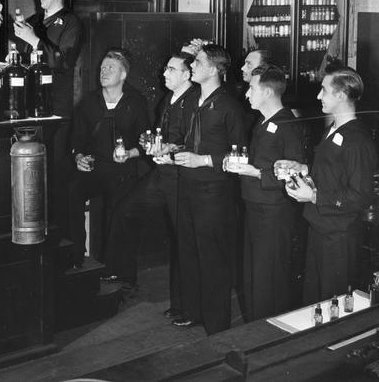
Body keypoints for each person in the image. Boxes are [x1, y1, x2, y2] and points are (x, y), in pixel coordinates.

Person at [104, 51, 197, 306]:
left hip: (180, 177)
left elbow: (193, 144)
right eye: (165, 68)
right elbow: (161, 134)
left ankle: (185, 305)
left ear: (187, 73)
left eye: (171, 70)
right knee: (126, 211)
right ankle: (123, 276)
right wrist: (149, 142)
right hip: (161, 174)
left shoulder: (194, 100)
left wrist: (169, 148)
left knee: (184, 239)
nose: (163, 73)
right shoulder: (169, 98)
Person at [277, 67, 377, 304]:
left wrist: (313, 196)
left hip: (339, 235)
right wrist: (302, 169)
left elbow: (360, 197)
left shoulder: (357, 140)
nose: (319, 96)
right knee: (315, 299)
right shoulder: (333, 131)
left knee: (333, 301)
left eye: (324, 90)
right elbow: (331, 174)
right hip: (321, 227)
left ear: (342, 95)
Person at [173, 43, 246, 334]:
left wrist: (202, 160)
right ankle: (194, 312)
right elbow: (188, 139)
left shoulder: (229, 106)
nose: (192, 66)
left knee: (213, 259)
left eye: (198, 62)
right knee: (189, 253)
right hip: (188, 187)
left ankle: (217, 327)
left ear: (214, 69)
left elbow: (241, 155)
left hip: (214, 194)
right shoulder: (192, 101)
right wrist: (172, 149)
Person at [225, 65, 305, 321]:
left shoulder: (286, 124)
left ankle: (269, 333)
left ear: (268, 92)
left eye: (252, 88)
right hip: (255, 206)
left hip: (273, 211)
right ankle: (256, 327)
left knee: (269, 275)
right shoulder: (263, 121)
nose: (247, 94)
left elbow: (294, 171)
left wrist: (255, 172)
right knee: (254, 273)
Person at [68, 49, 150, 269]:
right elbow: (77, 138)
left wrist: (131, 153)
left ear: (123, 75)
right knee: (71, 192)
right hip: (96, 167)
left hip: (124, 170)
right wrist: (79, 157)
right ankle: (76, 257)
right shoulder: (89, 102)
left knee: (119, 213)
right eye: (102, 68)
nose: (103, 72)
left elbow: (147, 143)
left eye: (110, 68)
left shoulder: (136, 102)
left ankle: (118, 273)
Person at [14, 0, 83, 118]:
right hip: (28, 102)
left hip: (55, 106)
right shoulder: (33, 20)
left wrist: (33, 39)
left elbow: (64, 62)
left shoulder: (72, 22)